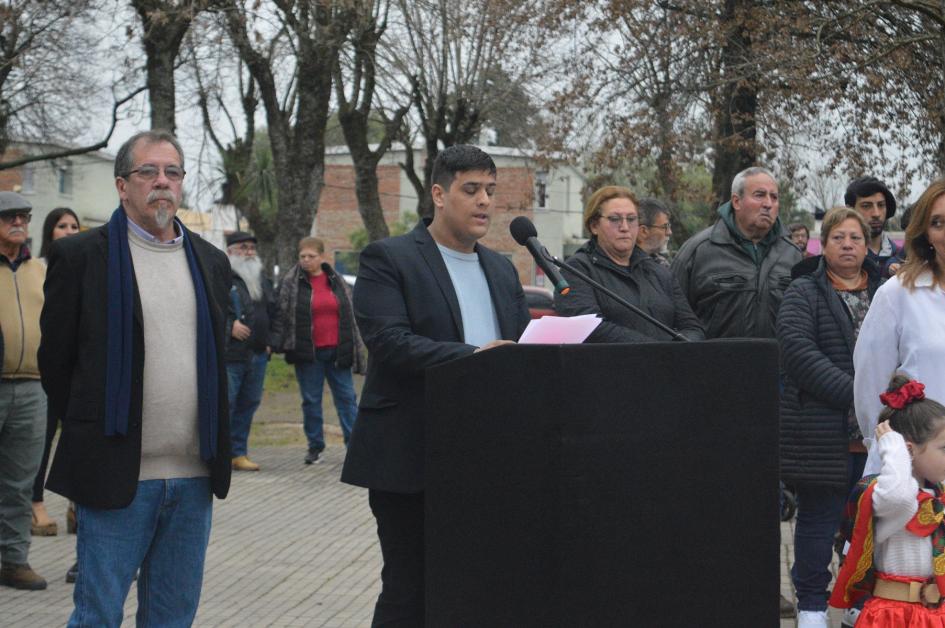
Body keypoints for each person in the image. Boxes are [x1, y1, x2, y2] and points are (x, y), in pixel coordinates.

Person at [39, 130, 232, 626]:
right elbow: (56, 366)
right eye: (148, 172)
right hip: (116, 474)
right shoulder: (81, 257)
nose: (161, 183)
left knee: (172, 619)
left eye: (172, 172)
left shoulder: (211, 261)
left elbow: (216, 359)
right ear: (123, 185)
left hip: (193, 477)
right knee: (98, 616)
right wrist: (94, 426)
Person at [341, 144, 530, 625]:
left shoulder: (503, 268)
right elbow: (389, 342)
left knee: (478, 588)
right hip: (412, 455)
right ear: (439, 195)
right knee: (410, 590)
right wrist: (474, 357)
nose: (485, 201)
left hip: (488, 458)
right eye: (471, 190)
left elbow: (521, 348)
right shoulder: (390, 258)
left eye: (490, 190)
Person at [777, 208, 884, 628]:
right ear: (824, 243)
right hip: (823, 433)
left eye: (855, 238)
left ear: (865, 244)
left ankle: (861, 599)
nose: (847, 245)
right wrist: (859, 396)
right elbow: (801, 356)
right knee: (818, 525)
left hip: (878, 433)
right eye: (838, 237)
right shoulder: (803, 292)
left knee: (873, 523)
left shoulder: (886, 290)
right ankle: (811, 606)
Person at [829, 375, 945, 626]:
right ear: (909, 450)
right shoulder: (888, 496)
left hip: (934, 615)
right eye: (944, 449)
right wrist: (893, 448)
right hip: (893, 615)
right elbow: (900, 497)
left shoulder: (939, 495)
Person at [854, 180, 945, 478]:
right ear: (926, 234)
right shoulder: (897, 294)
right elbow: (870, 385)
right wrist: (885, 452)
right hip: (915, 471)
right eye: (938, 222)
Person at [554, 186, 704, 341]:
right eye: (614, 219)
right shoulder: (576, 270)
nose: (625, 227)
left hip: (665, 363)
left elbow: (692, 327)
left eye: (631, 219)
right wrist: (658, 350)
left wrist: (679, 350)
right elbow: (589, 329)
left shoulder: (660, 272)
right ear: (594, 226)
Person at [671, 166, 802, 340]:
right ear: (736, 201)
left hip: (777, 365)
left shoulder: (792, 255)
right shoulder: (698, 251)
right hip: (713, 363)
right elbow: (671, 316)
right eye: (759, 195)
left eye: (774, 197)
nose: (768, 204)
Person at [271, 236, 364, 465]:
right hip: (308, 352)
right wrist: (276, 342)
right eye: (302, 256)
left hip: (337, 350)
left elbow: (351, 315)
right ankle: (315, 446)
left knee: (346, 398)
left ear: (322, 257)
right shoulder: (292, 283)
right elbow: (282, 314)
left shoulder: (337, 281)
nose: (306, 260)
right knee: (311, 400)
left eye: (311, 256)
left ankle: (354, 446)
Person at [0, 191, 47, 590]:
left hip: (33, 387)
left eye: (23, 216)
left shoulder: (41, 270)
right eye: (8, 216)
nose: (18, 222)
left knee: (19, 483)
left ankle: (14, 560)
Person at [225, 231, 274, 472]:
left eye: (252, 248)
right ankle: (218, 455)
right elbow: (210, 310)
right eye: (243, 247)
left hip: (258, 353)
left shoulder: (262, 279)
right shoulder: (222, 278)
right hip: (231, 354)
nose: (249, 252)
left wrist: (271, 340)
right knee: (227, 404)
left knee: (249, 403)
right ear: (230, 251)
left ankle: (238, 453)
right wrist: (229, 325)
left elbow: (273, 310)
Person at [846, 176, 903, 276]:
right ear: (850, 210)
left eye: (881, 205)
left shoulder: (900, 257)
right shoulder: (842, 257)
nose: (876, 214)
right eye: (866, 206)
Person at [636, 197, 673, 267]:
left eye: (669, 226)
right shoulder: (628, 266)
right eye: (665, 227)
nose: (669, 232)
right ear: (643, 231)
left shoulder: (660, 263)